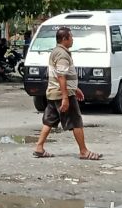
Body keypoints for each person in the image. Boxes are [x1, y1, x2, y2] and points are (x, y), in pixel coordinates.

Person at [32, 26, 102, 160]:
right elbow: (61, 76)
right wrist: (66, 97)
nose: (73, 40)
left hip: (54, 92)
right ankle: (83, 151)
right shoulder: (62, 55)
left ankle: (39, 147)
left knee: (49, 120)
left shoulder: (56, 51)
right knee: (76, 121)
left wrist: (75, 88)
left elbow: (62, 75)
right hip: (61, 94)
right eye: (71, 37)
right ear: (65, 38)